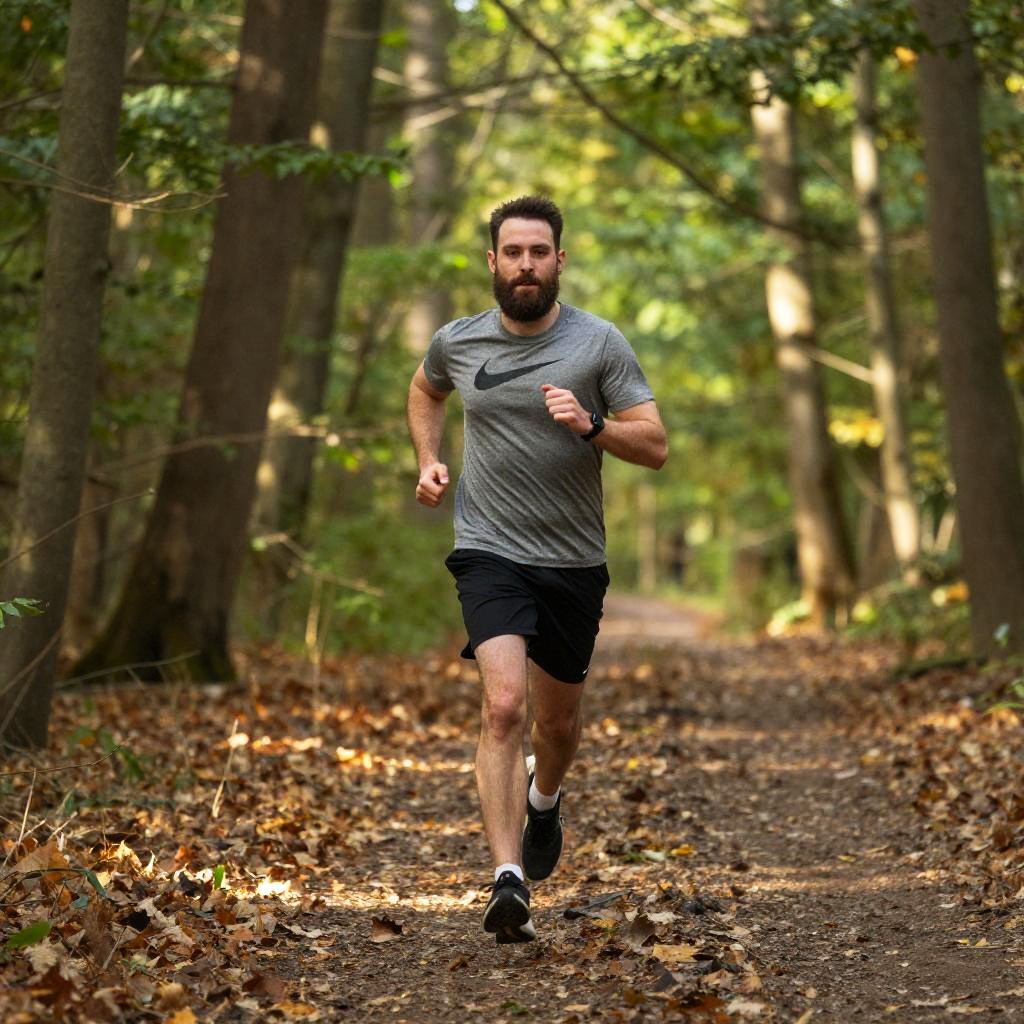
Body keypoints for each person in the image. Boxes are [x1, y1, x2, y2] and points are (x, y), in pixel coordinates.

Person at [406, 195, 667, 944]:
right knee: (503, 707)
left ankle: (545, 798)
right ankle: (508, 876)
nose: (526, 264)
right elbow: (426, 389)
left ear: (559, 260)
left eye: (539, 252)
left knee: (556, 724)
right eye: (512, 252)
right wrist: (428, 461)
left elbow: (654, 445)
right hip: (488, 550)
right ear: (492, 262)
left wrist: (592, 425)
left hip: (574, 561)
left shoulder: (599, 344)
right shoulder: (458, 341)